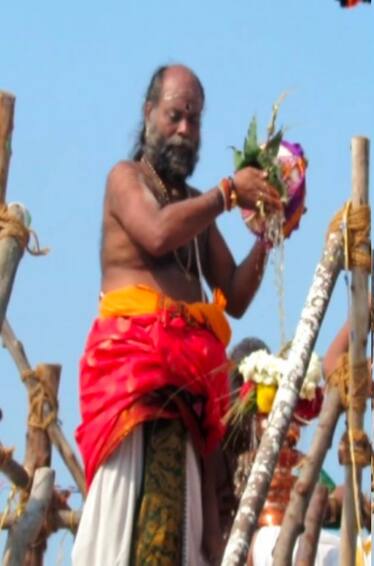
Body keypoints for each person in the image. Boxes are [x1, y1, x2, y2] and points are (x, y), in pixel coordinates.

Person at [73, 65, 285, 565]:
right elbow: (156, 233)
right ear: (148, 114)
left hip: (189, 394)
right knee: (128, 532)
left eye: (194, 120)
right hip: (134, 388)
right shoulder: (124, 180)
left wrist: (270, 232)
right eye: (175, 116)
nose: (185, 131)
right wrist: (228, 193)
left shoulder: (195, 207)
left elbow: (232, 295)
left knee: (193, 538)